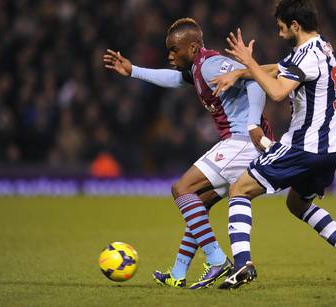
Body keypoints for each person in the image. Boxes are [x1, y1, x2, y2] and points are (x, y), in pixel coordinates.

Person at [211, 0, 336, 289]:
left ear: (295, 26)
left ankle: (242, 264)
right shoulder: (321, 47)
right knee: (298, 204)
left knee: (239, 190)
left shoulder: (306, 57)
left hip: (304, 147)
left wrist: (247, 62)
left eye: (281, 27)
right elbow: (278, 68)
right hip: (329, 150)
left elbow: (276, 90)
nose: (279, 32)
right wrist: (240, 73)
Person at [103, 17, 274, 289]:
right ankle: (178, 273)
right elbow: (173, 78)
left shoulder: (210, 64)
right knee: (200, 202)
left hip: (242, 141)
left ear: (193, 48)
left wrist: (253, 123)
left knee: (182, 189)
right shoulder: (197, 68)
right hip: (240, 144)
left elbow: (254, 78)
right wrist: (133, 70)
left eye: (174, 50)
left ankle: (217, 259)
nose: (170, 55)